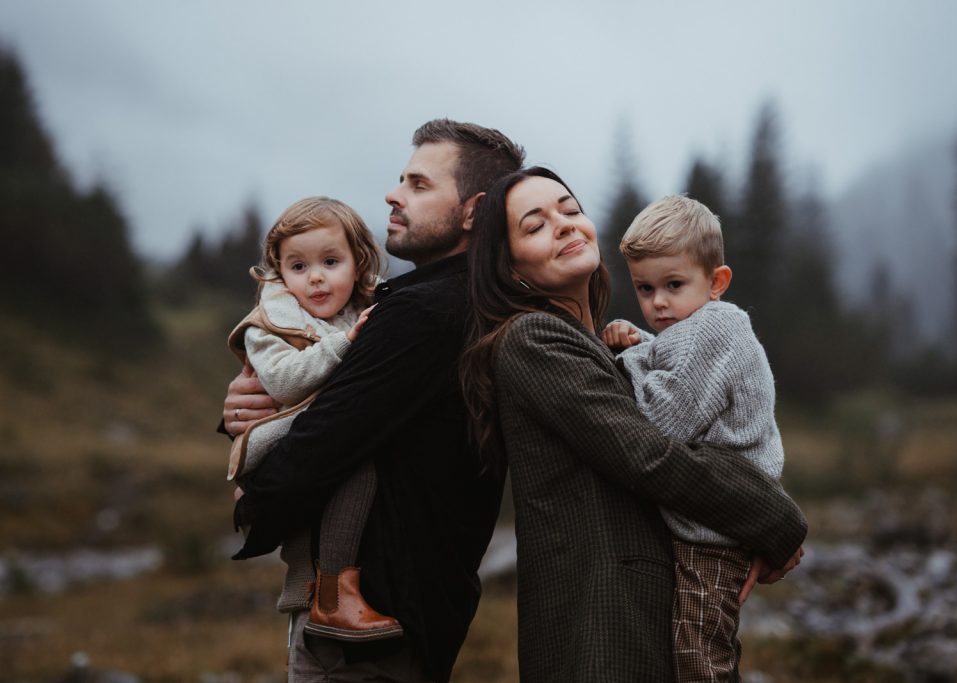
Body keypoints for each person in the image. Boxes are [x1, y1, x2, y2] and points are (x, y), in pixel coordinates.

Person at [461, 167, 806, 683]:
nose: (563, 224)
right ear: (510, 269)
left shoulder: (602, 344)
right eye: (535, 225)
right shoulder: (533, 340)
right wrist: (776, 519)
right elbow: (650, 454)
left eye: (570, 210)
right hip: (599, 625)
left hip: (640, 609)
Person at [222, 119, 525, 682]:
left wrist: (254, 500)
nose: (393, 194)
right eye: (400, 179)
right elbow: (354, 407)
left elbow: (326, 440)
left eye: (418, 184)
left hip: (365, 636)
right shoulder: (477, 303)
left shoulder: (424, 312)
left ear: (474, 211)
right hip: (416, 615)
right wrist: (250, 407)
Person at [601, 195, 785, 681]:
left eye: (674, 285)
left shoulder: (715, 329)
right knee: (692, 647)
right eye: (645, 288)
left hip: (716, 530)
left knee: (700, 656)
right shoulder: (702, 327)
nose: (658, 302)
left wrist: (625, 359)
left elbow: (664, 422)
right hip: (717, 514)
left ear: (716, 282)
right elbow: (678, 369)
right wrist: (641, 341)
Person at [226, 196, 403, 642]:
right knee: (355, 459)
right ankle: (331, 594)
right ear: (279, 272)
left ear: (358, 263)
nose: (316, 277)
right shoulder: (268, 325)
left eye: (330, 261)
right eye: (299, 266)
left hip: (317, 433)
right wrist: (345, 343)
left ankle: (329, 590)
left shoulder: (365, 308)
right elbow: (285, 384)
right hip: (280, 442)